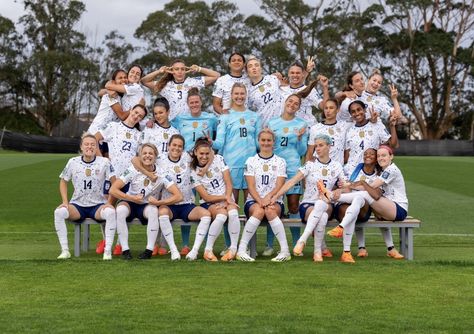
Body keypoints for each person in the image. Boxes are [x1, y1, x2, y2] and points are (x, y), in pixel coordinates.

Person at [270, 134, 346, 262]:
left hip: (327, 205)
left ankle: (304, 242)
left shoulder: (337, 166)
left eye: (321, 145)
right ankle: (318, 252)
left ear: (329, 146)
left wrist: (340, 190)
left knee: (322, 207)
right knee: (321, 216)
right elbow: (292, 181)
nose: (318, 148)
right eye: (316, 146)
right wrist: (276, 196)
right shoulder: (310, 165)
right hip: (308, 204)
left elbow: (346, 186)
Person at [327, 146, 406, 260]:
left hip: (398, 208)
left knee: (365, 195)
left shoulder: (391, 169)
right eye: (379, 156)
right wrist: (352, 185)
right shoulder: (383, 170)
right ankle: (389, 249)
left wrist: (355, 184)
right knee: (360, 202)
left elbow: (372, 188)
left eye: (383, 155)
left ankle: (332, 202)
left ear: (391, 156)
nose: (380, 158)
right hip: (388, 206)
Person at [139, 134, 212, 256]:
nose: (176, 148)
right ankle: (173, 251)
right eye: (174, 145)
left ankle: (194, 251)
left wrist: (206, 167)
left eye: (180, 146)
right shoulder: (160, 158)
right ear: (168, 146)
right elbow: (136, 160)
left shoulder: (188, 157)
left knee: (206, 214)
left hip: (186, 204)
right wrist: (149, 174)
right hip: (168, 204)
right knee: (162, 212)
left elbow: (210, 153)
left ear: (183, 148)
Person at [110, 143, 183, 260]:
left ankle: (149, 250)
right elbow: (113, 189)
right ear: (140, 156)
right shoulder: (132, 170)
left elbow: (179, 196)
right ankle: (125, 250)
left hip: (146, 205)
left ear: (155, 157)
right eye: (144, 153)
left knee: (153, 210)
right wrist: (131, 198)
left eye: (150, 153)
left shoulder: (161, 173)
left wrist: (158, 203)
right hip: (131, 202)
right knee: (120, 210)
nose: (147, 156)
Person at [54, 134, 116, 260]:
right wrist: (65, 202)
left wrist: (109, 202)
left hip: (98, 205)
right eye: (86, 144)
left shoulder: (104, 162)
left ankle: (107, 251)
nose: (90, 147)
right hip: (77, 206)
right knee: (59, 212)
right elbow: (63, 181)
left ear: (97, 147)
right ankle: (65, 251)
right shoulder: (73, 162)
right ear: (81, 147)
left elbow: (115, 183)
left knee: (110, 212)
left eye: (93, 144)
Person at [236, 128, 291, 262]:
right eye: (263, 140)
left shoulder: (280, 161)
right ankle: (241, 250)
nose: (266, 143)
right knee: (260, 210)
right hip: (254, 200)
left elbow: (279, 185)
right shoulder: (251, 161)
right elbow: (251, 186)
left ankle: (285, 251)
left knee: (270, 211)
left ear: (273, 142)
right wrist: (260, 200)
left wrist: (269, 198)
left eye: (269, 140)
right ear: (259, 141)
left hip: (275, 200)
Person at [265, 94, 308, 255]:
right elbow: (266, 145)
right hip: (274, 169)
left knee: (294, 206)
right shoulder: (272, 123)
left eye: (296, 103)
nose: (292, 104)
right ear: (285, 102)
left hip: (292, 169)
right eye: (290, 101)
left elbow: (302, 151)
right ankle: (270, 245)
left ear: (298, 107)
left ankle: (297, 245)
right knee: (272, 206)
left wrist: (299, 138)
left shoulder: (301, 124)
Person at [187, 138, 241, 261]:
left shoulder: (219, 159)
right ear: (195, 152)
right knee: (222, 215)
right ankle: (208, 250)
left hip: (227, 198)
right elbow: (206, 197)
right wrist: (224, 198)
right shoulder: (193, 171)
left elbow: (229, 183)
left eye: (207, 153)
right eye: (201, 153)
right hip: (210, 202)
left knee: (233, 213)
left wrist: (227, 199)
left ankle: (233, 249)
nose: (204, 156)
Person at [212, 83, 262, 205]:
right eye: (236, 93)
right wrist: (210, 143)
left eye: (242, 93)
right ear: (231, 95)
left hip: (250, 165)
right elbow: (219, 143)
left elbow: (258, 144)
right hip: (231, 164)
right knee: (230, 205)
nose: (239, 96)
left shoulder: (255, 116)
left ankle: (246, 225)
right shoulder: (225, 117)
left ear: (246, 95)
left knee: (249, 207)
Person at [141, 59, 220, 120]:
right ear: (172, 71)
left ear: (186, 71)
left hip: (189, 122)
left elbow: (216, 75)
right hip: (173, 123)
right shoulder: (166, 85)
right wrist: (159, 71)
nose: (180, 71)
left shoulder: (193, 82)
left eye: (182, 69)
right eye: (176, 69)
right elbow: (144, 81)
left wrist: (199, 69)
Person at [344, 100, 399, 176]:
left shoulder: (376, 124)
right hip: (353, 172)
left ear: (364, 110)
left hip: (372, 172)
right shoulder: (349, 131)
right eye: (353, 111)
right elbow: (347, 156)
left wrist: (392, 126)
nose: (357, 113)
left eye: (359, 109)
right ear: (351, 114)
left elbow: (394, 145)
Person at [95, 104, 147, 180]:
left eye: (140, 116)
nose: (136, 116)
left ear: (141, 120)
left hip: (129, 177)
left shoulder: (139, 135)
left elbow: (139, 156)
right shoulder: (113, 126)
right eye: (136, 112)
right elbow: (94, 139)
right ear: (131, 110)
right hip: (111, 174)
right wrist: (102, 160)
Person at [280, 58, 329, 127]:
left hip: (307, 129)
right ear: (288, 74)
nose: (295, 75)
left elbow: (324, 107)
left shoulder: (310, 90)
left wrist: (325, 87)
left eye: (298, 73)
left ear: (303, 74)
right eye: (292, 73)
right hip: (287, 129)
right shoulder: (281, 90)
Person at [172, 87, 218, 152]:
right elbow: (164, 125)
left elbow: (221, 134)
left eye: (196, 102)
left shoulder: (211, 118)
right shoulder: (180, 119)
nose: (194, 105)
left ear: (201, 102)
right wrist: (153, 120)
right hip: (186, 156)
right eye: (191, 103)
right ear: (188, 104)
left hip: (204, 156)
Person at [306, 98, 349, 166]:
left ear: (337, 110)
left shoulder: (344, 127)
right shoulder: (315, 128)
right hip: (319, 169)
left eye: (331, 108)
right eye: (326, 108)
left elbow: (347, 152)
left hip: (337, 170)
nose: (328, 111)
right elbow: (309, 153)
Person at [246, 56, 284, 126]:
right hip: (265, 128)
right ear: (247, 71)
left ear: (261, 69)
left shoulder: (273, 78)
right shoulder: (248, 92)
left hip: (281, 124)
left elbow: (289, 87)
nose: (254, 68)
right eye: (250, 66)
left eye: (256, 65)